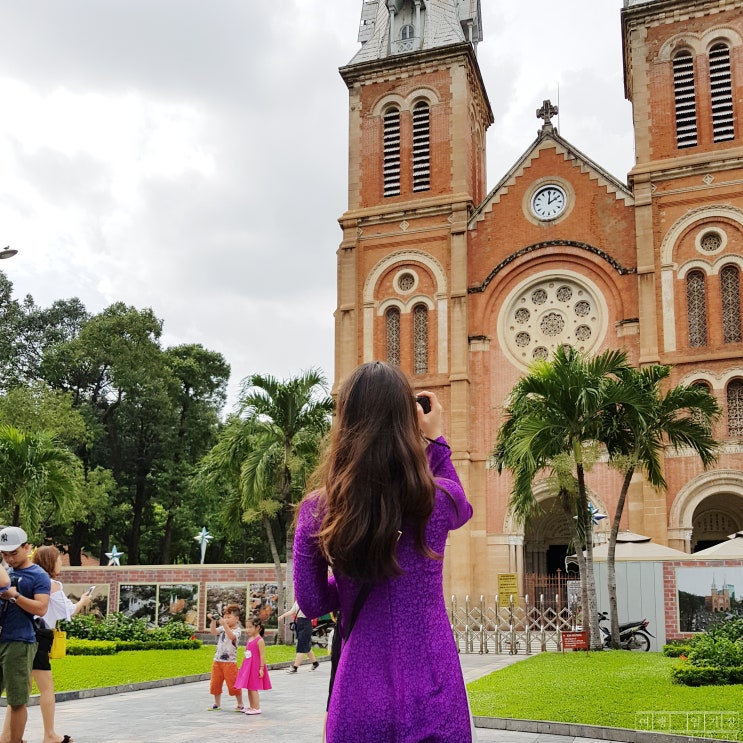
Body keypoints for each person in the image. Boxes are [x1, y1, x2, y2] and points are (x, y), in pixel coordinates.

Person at [293, 361, 474, 743]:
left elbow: (310, 603)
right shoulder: (437, 499)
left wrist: (348, 581)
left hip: (359, 692)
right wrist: (436, 440)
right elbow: (464, 509)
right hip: (435, 686)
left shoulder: (318, 508)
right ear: (407, 421)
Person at [19, 546, 91, 743]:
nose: (61, 563)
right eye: (59, 559)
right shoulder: (51, 584)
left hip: (21, 636)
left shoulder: (27, 579)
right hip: (39, 636)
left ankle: (12, 735)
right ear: (50, 561)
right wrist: (83, 601)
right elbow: (67, 612)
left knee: (21, 689)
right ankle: (49, 735)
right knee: (46, 688)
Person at [0, 526, 51, 743]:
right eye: (5, 554)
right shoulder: (5, 572)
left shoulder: (38, 575)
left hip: (19, 641)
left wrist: (15, 596)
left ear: (27, 547)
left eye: (14, 553)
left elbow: (41, 608)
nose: (9, 558)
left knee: (17, 700)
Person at [207, 604, 244, 712]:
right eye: (225, 617)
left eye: (229, 617)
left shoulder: (238, 630)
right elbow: (213, 632)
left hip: (230, 662)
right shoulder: (223, 627)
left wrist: (224, 624)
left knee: (233, 683)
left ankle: (240, 704)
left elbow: (231, 636)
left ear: (236, 618)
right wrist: (213, 621)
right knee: (215, 683)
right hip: (217, 660)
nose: (226, 619)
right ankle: (217, 703)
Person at [234, 616, 271, 715]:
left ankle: (257, 707)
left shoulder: (259, 640)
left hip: (255, 666)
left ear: (258, 627)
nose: (248, 629)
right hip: (248, 665)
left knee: (254, 687)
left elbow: (262, 655)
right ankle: (252, 706)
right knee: (249, 687)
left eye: (250, 627)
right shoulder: (250, 639)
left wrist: (261, 668)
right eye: (247, 627)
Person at [277, 601, 319, 672]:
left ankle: (295, 667)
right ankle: (315, 663)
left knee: (301, 646)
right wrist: (282, 616)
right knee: (306, 645)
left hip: (306, 623)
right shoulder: (297, 602)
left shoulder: (308, 602)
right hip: (299, 623)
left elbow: (313, 613)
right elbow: (292, 611)